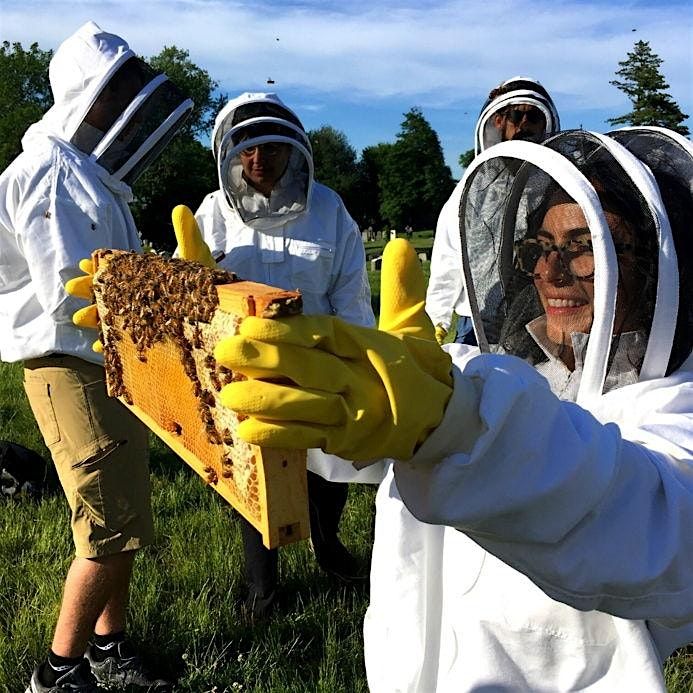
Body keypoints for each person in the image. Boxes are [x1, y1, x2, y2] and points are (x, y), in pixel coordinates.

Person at [207, 128, 693, 691]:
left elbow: (650, 527)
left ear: (655, 264)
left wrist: (455, 427)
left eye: (586, 248)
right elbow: (358, 454)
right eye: (539, 248)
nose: (553, 273)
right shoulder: (479, 369)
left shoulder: (670, 404)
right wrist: (220, 344)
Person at [0, 21, 193, 692]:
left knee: (127, 518)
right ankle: (56, 674)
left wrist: (162, 284)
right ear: (92, 92)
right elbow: (72, 291)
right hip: (68, 360)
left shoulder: (90, 175)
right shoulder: (52, 172)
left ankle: (108, 650)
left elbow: (111, 275)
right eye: (119, 88)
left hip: (105, 359)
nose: (128, 101)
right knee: (107, 529)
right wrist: (168, 295)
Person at [187, 92, 382, 619]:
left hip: (317, 358)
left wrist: (359, 358)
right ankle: (263, 588)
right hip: (242, 365)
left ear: (292, 150)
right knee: (253, 472)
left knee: (328, 464)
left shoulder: (328, 208)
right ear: (229, 155)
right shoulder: (212, 213)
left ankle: (328, 545)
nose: (259, 161)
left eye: (270, 148)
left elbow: (350, 292)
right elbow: (196, 293)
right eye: (247, 150)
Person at [427, 76, 560, 346]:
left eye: (533, 117)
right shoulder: (470, 188)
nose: (525, 125)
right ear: (498, 120)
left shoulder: (555, 185)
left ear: (545, 123)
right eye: (516, 115)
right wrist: (436, 322)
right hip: (476, 319)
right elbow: (449, 256)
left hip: (539, 314)